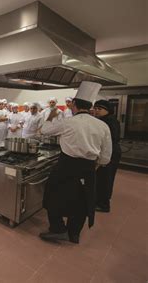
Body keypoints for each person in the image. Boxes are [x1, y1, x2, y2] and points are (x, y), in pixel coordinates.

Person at [39, 81, 112, 244]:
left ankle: (58, 229)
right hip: (88, 168)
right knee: (82, 200)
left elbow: (44, 130)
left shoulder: (68, 122)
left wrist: (51, 115)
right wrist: (94, 165)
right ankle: (74, 234)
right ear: (90, 106)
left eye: (71, 104)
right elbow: (106, 156)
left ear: (75, 105)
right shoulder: (102, 126)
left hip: (66, 165)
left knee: (53, 195)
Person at [94, 100, 121, 213]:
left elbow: (109, 140)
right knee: (103, 178)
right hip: (109, 151)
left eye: (99, 109)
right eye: (95, 108)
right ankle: (100, 201)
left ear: (107, 110)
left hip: (110, 153)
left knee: (105, 179)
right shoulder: (106, 120)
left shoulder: (108, 121)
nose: (96, 111)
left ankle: (104, 205)